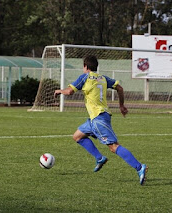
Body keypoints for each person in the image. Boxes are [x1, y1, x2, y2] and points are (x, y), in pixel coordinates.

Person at [54, 55, 148, 185]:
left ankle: (139, 167)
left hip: (98, 119)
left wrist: (60, 91)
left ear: (86, 66)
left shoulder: (85, 77)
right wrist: (121, 105)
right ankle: (100, 158)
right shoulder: (103, 78)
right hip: (97, 118)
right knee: (77, 136)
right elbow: (119, 88)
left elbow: (70, 91)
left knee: (113, 147)